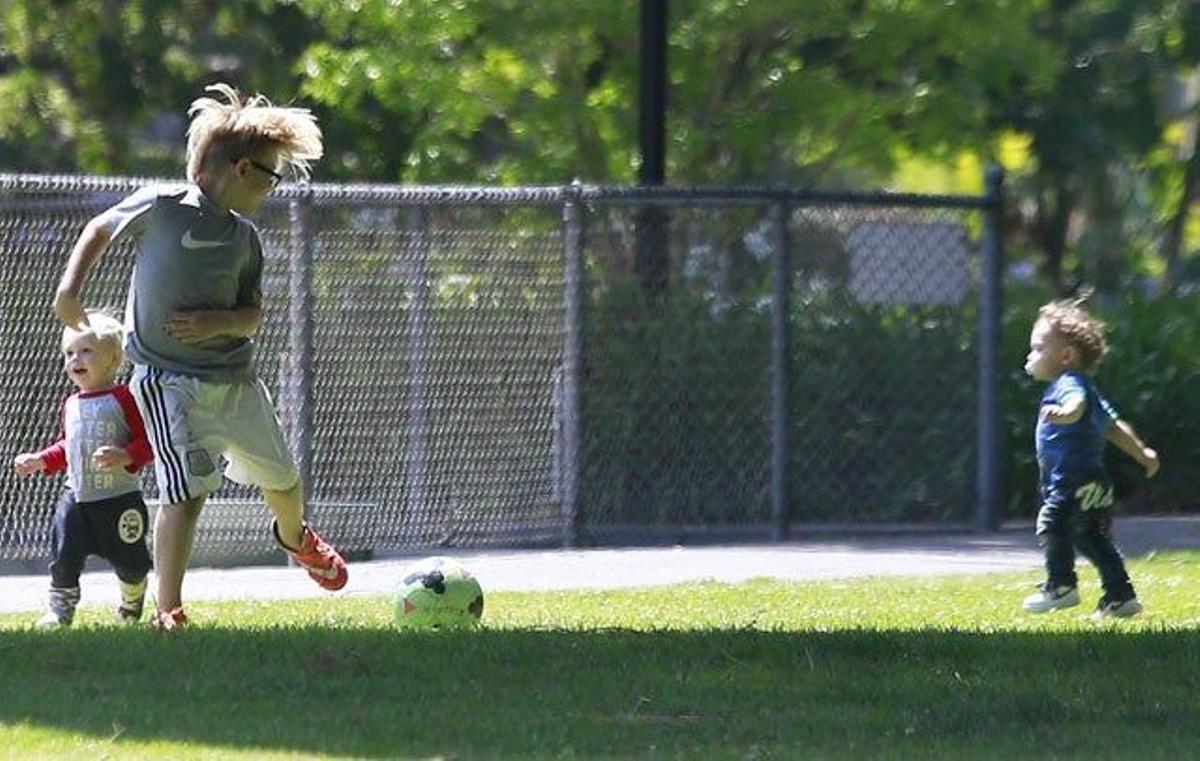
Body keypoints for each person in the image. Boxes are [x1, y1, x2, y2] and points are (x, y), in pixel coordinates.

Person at [52, 82, 347, 630]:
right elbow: (100, 227)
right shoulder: (164, 205)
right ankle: (170, 609)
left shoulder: (245, 238)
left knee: (283, 481)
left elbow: (252, 314)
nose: (271, 187)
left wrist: (220, 322)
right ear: (240, 169)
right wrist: (70, 288)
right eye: (270, 175)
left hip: (236, 382)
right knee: (184, 494)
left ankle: (295, 537)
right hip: (169, 383)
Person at [13, 311, 154, 627]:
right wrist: (40, 459)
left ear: (113, 358)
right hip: (75, 497)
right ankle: (61, 610)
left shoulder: (124, 398)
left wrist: (125, 455)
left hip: (118, 500)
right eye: (69, 353)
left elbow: (149, 444)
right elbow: (67, 447)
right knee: (64, 555)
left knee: (130, 561)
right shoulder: (71, 403)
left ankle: (132, 599)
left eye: (86, 351)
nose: (75, 359)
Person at [1021, 298, 1159, 620]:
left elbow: (1076, 403)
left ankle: (1061, 585)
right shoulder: (1088, 388)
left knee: (1051, 524)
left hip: (1072, 480)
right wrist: (1143, 453)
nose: (1031, 356)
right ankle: (1120, 596)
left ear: (1066, 355)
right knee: (1092, 538)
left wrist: (1067, 413)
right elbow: (1113, 427)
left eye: (1039, 348)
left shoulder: (1069, 385)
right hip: (1094, 480)